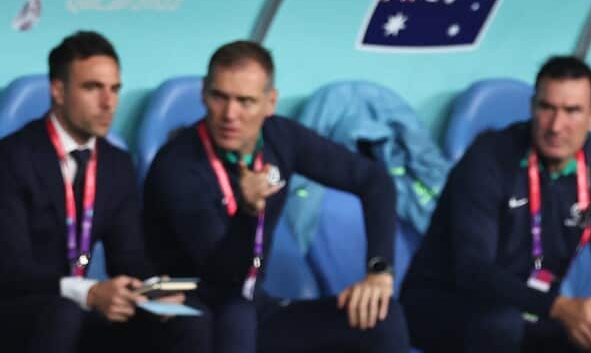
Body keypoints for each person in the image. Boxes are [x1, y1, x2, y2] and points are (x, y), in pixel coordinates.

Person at [142, 41, 409, 353]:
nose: (230, 114)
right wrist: (248, 211)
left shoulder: (282, 137)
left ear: (270, 103)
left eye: (245, 101)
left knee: (382, 317)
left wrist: (379, 270)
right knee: (236, 313)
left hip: (256, 309)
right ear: (203, 93)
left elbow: (374, 181)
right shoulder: (177, 165)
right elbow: (225, 279)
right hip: (195, 310)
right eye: (219, 97)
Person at [399, 56, 591, 353]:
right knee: (501, 323)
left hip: (536, 312)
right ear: (532, 107)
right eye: (547, 108)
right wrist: (559, 307)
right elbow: (473, 270)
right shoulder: (488, 158)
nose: (556, 126)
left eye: (572, 111)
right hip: (449, 308)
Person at [0, 31, 208, 353]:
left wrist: (152, 289)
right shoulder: (12, 158)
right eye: (92, 88)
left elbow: (128, 256)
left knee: (189, 318)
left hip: (82, 308)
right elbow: (11, 270)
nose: (108, 103)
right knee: (63, 313)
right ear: (58, 91)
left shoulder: (115, 163)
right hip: (19, 309)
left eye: (114, 89)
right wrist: (88, 292)